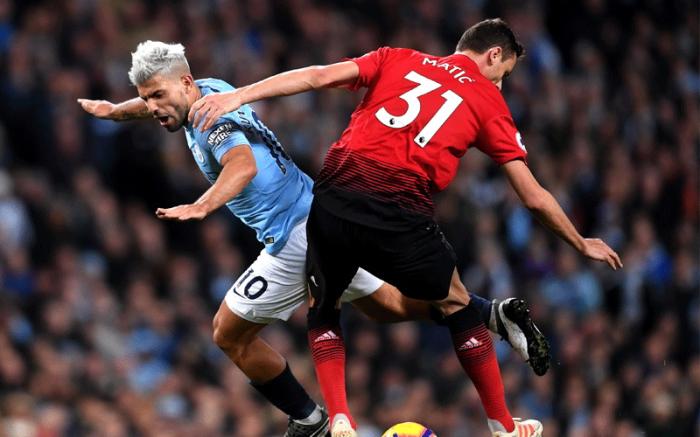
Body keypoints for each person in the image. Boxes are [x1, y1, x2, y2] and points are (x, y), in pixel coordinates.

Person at [78, 40, 550, 437]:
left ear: (185, 84)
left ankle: (309, 419)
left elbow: (241, 165)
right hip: (318, 208)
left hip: (294, 236)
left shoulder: (211, 124)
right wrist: (116, 112)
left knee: (228, 333)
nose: (153, 108)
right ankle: (491, 313)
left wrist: (203, 205)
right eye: (146, 99)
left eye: (157, 96)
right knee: (386, 306)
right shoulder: (213, 90)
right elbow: (158, 102)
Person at [188, 18, 624, 437]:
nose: (500, 85)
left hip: (334, 196)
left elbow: (318, 76)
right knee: (455, 303)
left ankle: (340, 420)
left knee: (327, 305)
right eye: (504, 74)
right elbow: (532, 196)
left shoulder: (398, 57)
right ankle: (504, 426)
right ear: (493, 55)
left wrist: (239, 95)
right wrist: (579, 241)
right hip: (398, 213)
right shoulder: (488, 101)